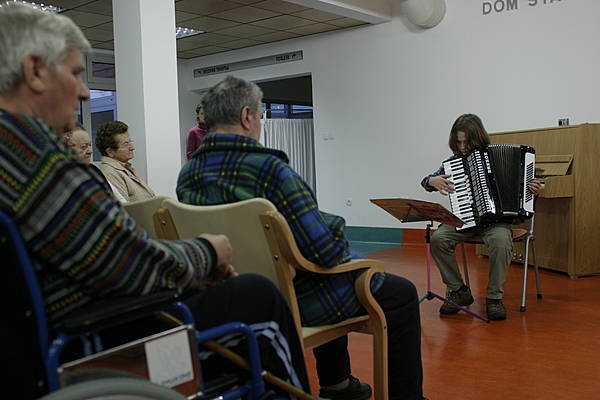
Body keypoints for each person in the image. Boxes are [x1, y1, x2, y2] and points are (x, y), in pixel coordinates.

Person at [0, 4, 309, 399]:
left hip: (42, 343)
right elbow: (129, 267)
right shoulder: (40, 164)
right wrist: (209, 252)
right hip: (97, 344)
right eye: (75, 73)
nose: (84, 91)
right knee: (256, 294)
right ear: (34, 71)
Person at [177, 76, 427, 400]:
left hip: (232, 295)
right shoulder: (270, 169)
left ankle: (338, 384)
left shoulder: (188, 175)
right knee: (398, 292)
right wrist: (335, 225)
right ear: (247, 116)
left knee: (324, 275)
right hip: (293, 299)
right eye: (260, 114)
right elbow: (325, 252)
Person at [421, 113, 542, 321]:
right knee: (438, 239)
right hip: (465, 219)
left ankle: (494, 298)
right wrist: (431, 181)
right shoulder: (454, 163)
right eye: (458, 142)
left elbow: (526, 192)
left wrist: (533, 190)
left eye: (466, 142)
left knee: (501, 241)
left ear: (478, 138)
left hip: (496, 222)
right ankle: (458, 291)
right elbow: (427, 181)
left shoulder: (502, 156)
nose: (462, 147)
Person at [64, 123, 128, 203]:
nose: (90, 151)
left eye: (89, 145)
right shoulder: (64, 178)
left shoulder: (94, 170)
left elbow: (120, 200)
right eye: (83, 147)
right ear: (67, 149)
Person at [95, 120, 156, 202]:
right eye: (126, 144)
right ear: (110, 152)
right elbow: (125, 207)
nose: (132, 148)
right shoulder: (109, 173)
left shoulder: (125, 167)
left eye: (130, 142)